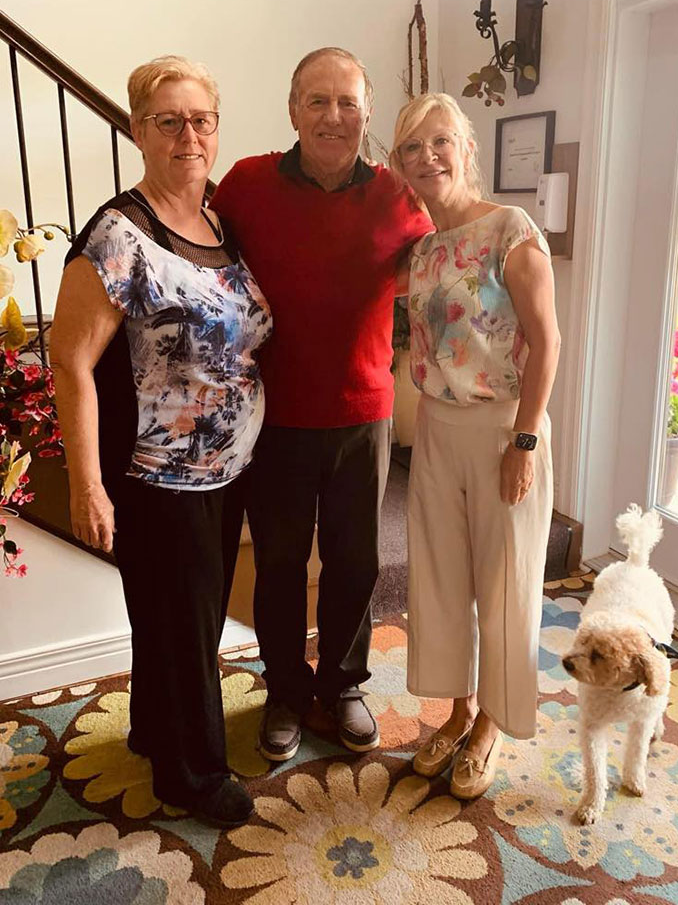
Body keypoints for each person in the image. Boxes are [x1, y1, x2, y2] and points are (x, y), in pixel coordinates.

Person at [50, 56, 272, 826]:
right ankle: (194, 776)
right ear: (137, 130)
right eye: (168, 120)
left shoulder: (218, 223)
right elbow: (70, 360)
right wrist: (86, 484)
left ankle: (153, 730)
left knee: (187, 621)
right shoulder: (119, 234)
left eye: (201, 120)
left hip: (228, 469)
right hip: (160, 477)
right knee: (182, 626)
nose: (188, 135)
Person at [210, 47, 432, 762]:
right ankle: (284, 690)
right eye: (317, 101)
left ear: (367, 113)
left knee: (355, 562)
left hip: (363, 415)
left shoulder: (399, 196)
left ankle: (343, 686)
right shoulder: (246, 185)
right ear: (292, 110)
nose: (333, 116)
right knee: (278, 564)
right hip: (272, 417)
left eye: (347, 103)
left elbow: (439, 267)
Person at [390, 92, 561, 799]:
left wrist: (525, 440)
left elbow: (547, 343)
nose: (427, 157)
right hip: (438, 426)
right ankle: (456, 712)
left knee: (503, 581)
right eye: (412, 147)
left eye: (440, 141)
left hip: (502, 428)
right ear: (400, 165)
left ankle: (490, 723)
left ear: (465, 147)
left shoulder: (510, 229)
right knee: (441, 578)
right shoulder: (424, 250)